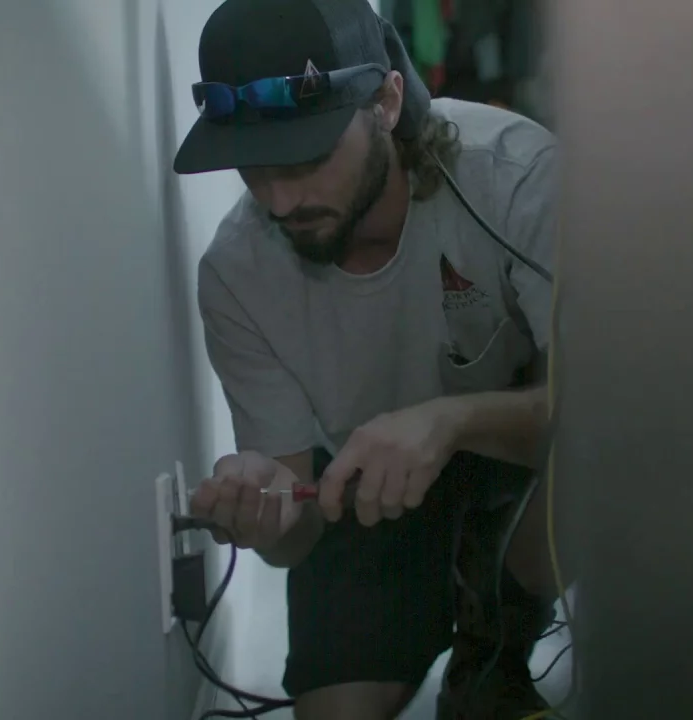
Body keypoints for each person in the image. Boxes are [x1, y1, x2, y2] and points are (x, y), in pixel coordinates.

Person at [175, 1, 559, 718]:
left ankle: (498, 644)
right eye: (255, 169)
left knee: (591, 451)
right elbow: (298, 529)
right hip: (369, 494)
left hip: (522, 457)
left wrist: (448, 421)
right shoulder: (235, 272)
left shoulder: (512, 174)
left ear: (385, 100)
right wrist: (267, 511)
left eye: (308, 157)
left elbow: (620, 409)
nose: (283, 200)